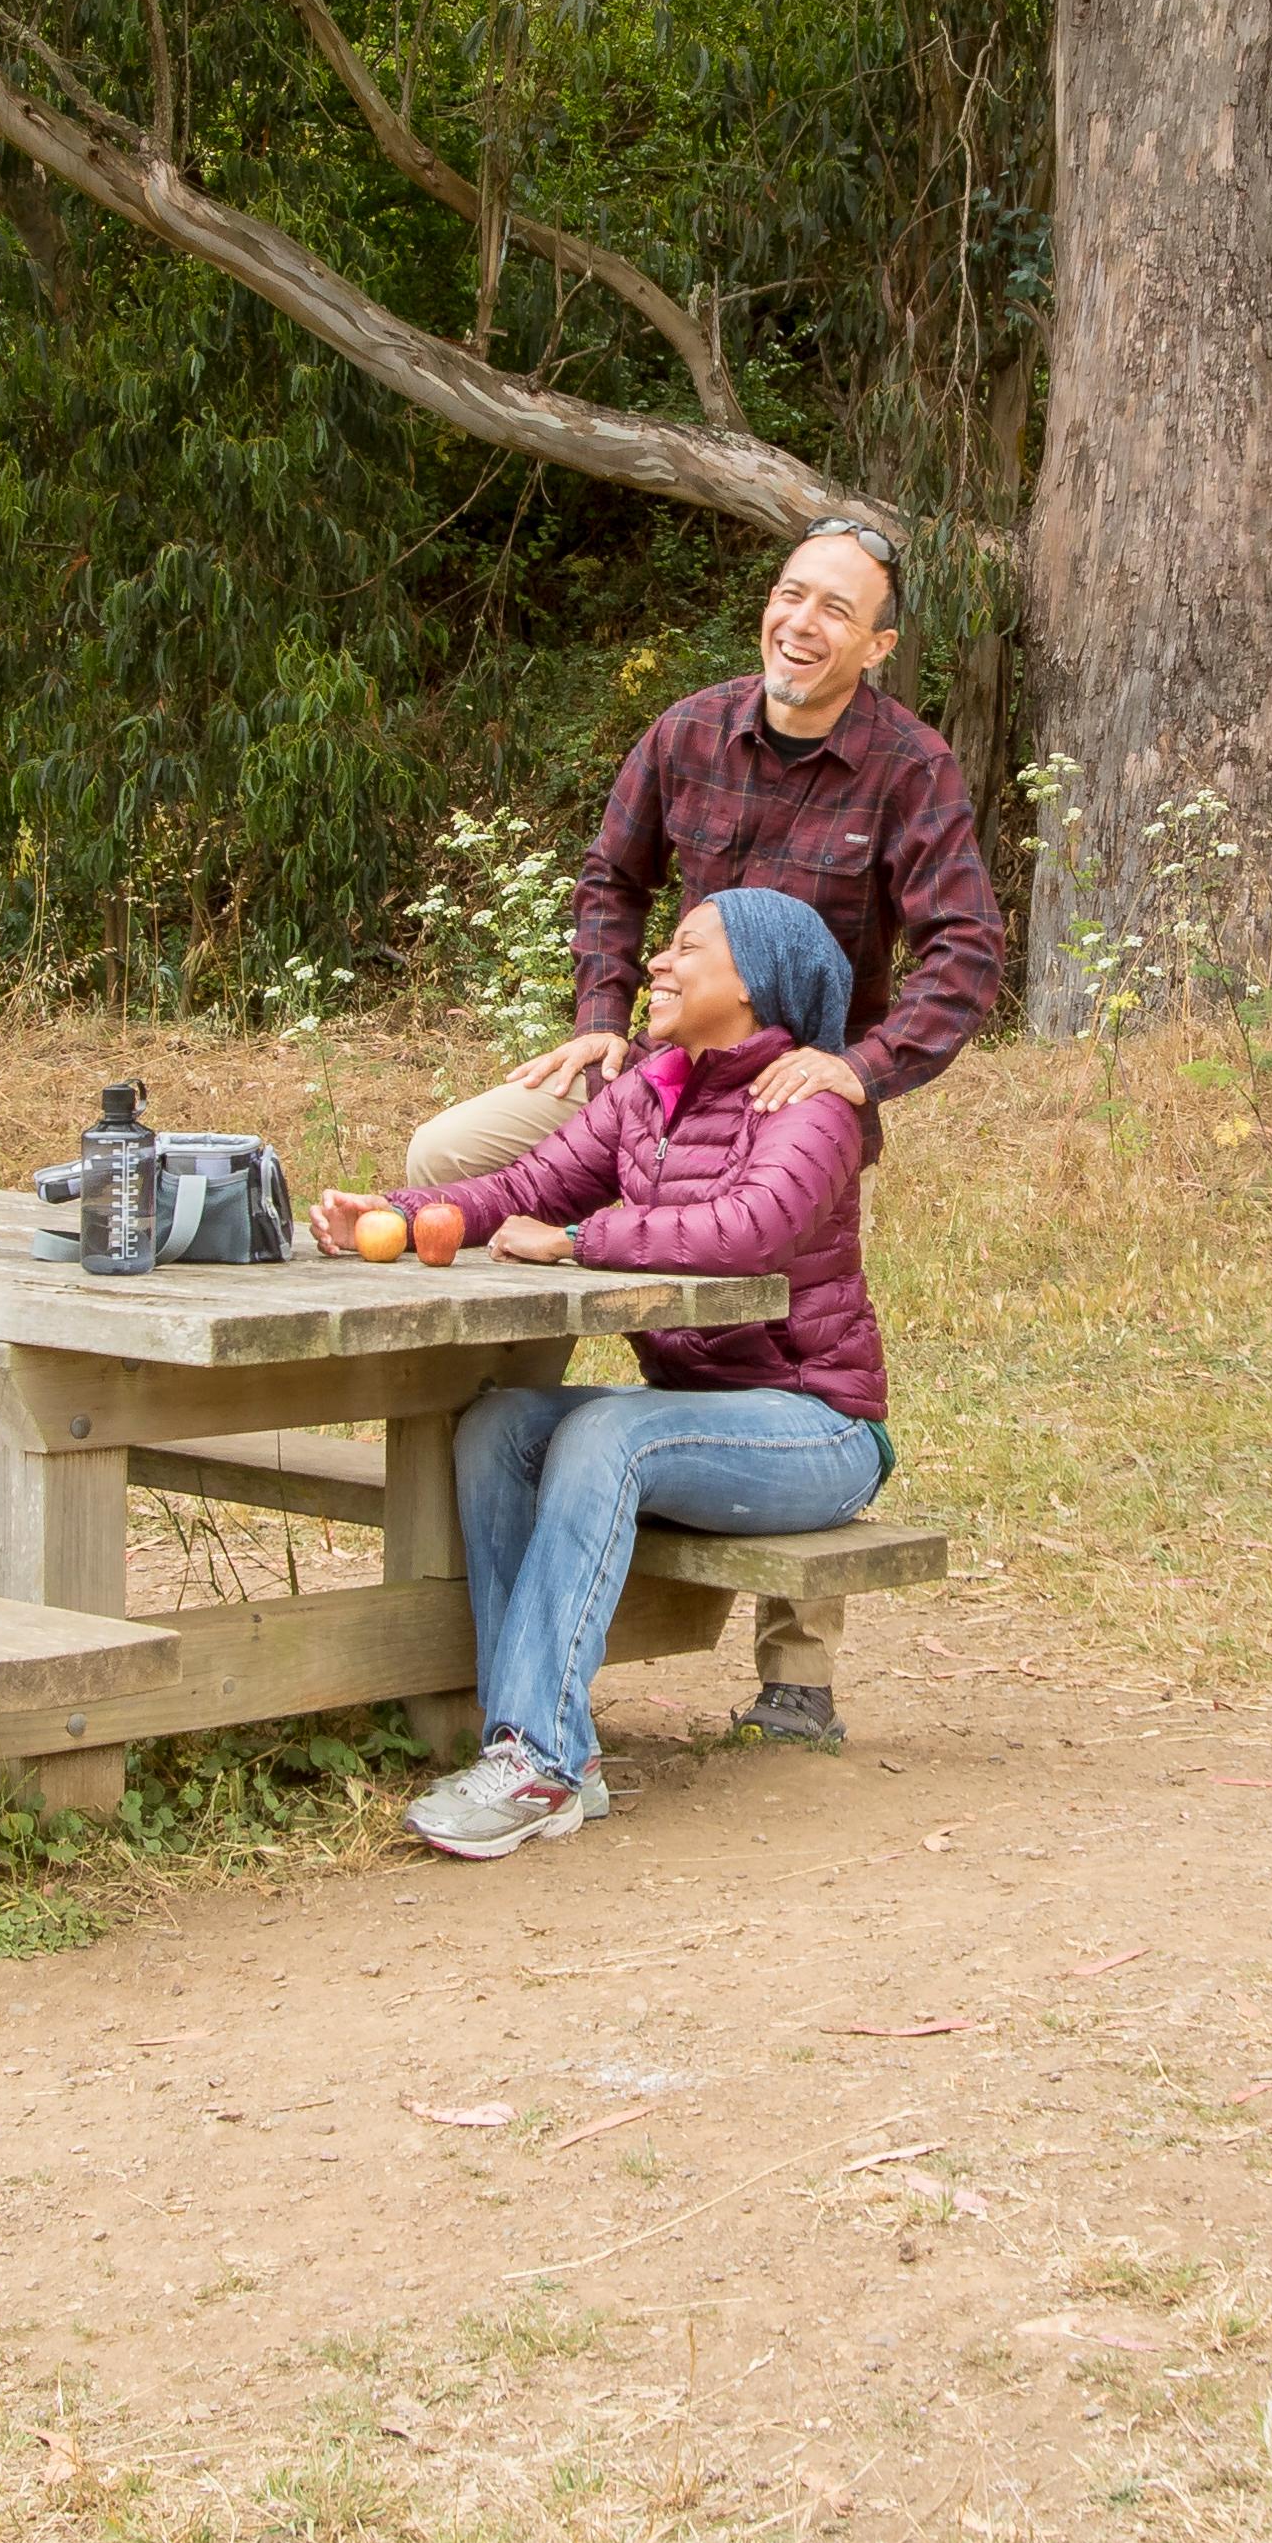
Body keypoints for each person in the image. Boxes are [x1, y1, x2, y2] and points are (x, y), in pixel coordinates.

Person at [403, 515, 1003, 1749]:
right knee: (448, 1157)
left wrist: (856, 1071)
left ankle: (797, 1671)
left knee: (787, 1310)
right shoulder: (687, 729)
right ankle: (512, 1452)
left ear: (875, 645)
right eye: (792, 594)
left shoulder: (909, 767)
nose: (804, 621)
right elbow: (609, 880)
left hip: (793, 1095)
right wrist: (603, 1017)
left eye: (837, 608)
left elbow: (966, 952)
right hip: (662, 1062)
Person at [332, 888, 890, 1860]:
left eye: (685, 949)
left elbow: (748, 1232)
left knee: (603, 1432)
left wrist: (583, 1240)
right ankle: (555, 1750)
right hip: (697, 1419)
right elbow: (518, 1188)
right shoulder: (649, 1091)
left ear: (757, 985)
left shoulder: (808, 1105)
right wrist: (385, 1212)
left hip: (816, 1432)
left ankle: (533, 1758)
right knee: (499, 1424)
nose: (657, 967)